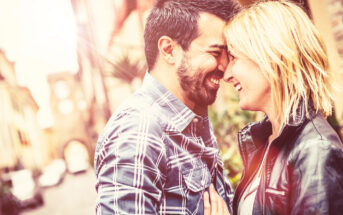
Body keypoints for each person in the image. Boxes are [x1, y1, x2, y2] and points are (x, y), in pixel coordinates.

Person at [94, 0, 240, 214]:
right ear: (169, 50)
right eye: (216, 53)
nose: (225, 67)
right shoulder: (138, 132)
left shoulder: (190, 115)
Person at [204, 1, 343, 215]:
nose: (227, 74)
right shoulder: (268, 143)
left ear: (270, 58)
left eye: (234, 58)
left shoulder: (315, 150)